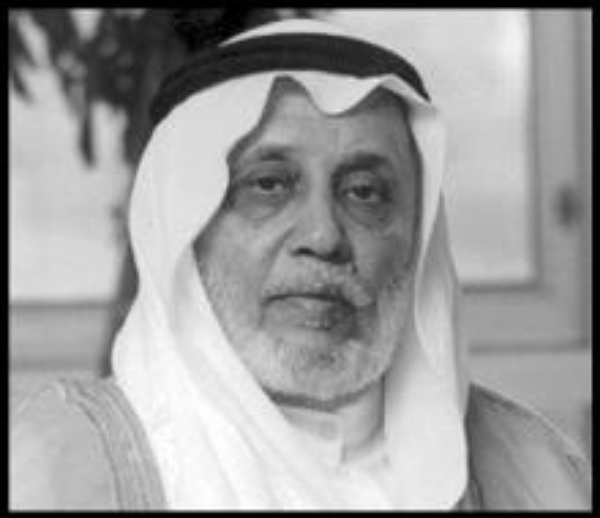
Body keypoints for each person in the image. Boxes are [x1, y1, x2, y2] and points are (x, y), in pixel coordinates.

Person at [10, 18, 591, 510]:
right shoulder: (59, 471)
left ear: (417, 236)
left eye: (364, 192)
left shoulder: (536, 474)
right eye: (268, 185)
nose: (323, 236)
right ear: (188, 230)